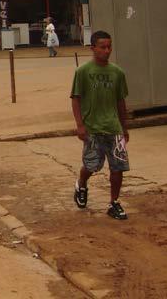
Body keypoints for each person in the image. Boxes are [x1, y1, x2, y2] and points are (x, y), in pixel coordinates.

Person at [71, 30, 130, 220]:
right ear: (93, 48)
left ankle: (114, 202)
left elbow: (121, 101)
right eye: (102, 47)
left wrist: (124, 128)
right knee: (91, 165)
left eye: (109, 47)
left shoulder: (117, 73)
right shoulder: (83, 72)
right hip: (93, 128)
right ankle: (81, 183)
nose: (107, 50)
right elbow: (76, 99)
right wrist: (80, 125)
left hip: (113, 128)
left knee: (118, 167)